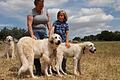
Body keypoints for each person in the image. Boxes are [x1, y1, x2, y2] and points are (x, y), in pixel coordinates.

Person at [27, 0, 51, 76]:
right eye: (40, 6)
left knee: (47, 51)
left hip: (44, 31)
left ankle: (47, 69)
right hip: (35, 31)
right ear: (36, 5)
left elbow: (48, 22)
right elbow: (29, 25)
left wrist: (50, 31)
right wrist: (32, 35)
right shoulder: (31, 12)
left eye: (42, 5)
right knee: (36, 51)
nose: (41, 7)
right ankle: (38, 70)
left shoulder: (46, 11)